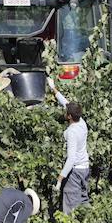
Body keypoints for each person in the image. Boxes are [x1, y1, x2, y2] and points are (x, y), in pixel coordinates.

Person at [47, 77, 90, 214]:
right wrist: (53, 89)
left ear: (70, 116)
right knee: (83, 201)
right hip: (85, 168)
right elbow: (65, 103)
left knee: (70, 204)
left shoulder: (72, 132)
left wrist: (60, 179)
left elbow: (71, 159)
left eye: (67, 113)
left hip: (76, 171)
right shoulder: (81, 122)